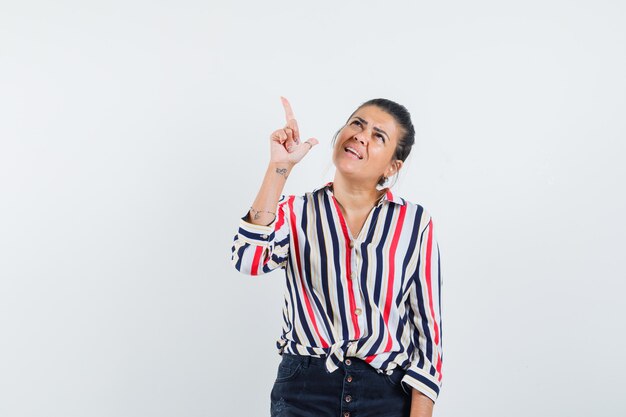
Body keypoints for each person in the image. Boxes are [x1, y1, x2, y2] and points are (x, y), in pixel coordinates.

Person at [231, 97, 443, 417]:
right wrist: (280, 168)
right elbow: (247, 259)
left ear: (392, 167)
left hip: (385, 394)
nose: (360, 135)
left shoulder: (414, 222)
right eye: (357, 123)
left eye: (378, 135)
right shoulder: (294, 211)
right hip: (304, 390)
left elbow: (427, 334)